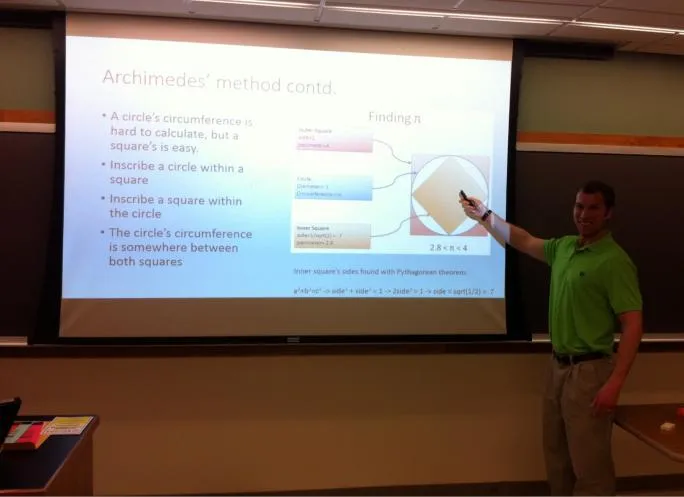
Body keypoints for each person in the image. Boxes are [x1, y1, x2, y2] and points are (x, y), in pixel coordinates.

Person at [459, 181, 643, 496]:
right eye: (579, 206)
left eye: (593, 208)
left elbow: (633, 325)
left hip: (590, 372)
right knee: (557, 457)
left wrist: (615, 383)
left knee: (590, 463)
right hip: (558, 367)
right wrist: (485, 215)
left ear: (608, 213)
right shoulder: (565, 248)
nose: (584, 214)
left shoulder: (614, 261)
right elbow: (524, 240)